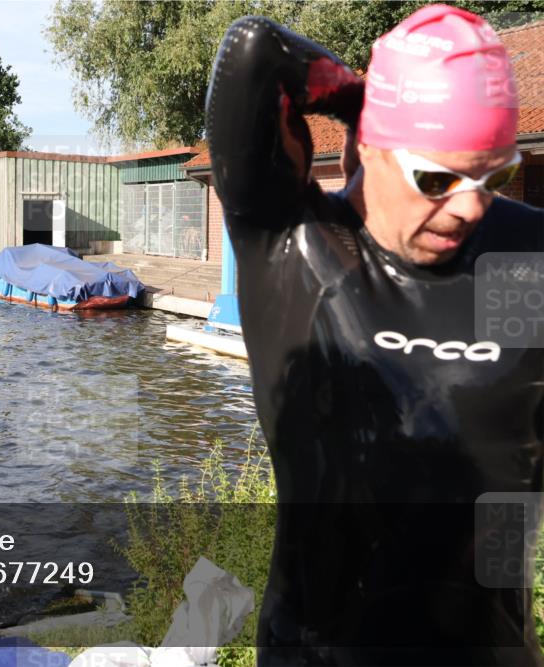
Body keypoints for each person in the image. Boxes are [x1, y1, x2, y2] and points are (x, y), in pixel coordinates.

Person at [206, 5, 542, 665]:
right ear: (369, 147)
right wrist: (365, 97)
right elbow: (254, 52)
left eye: (494, 175)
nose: (471, 205)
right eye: (437, 178)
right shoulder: (298, 250)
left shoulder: (520, 256)